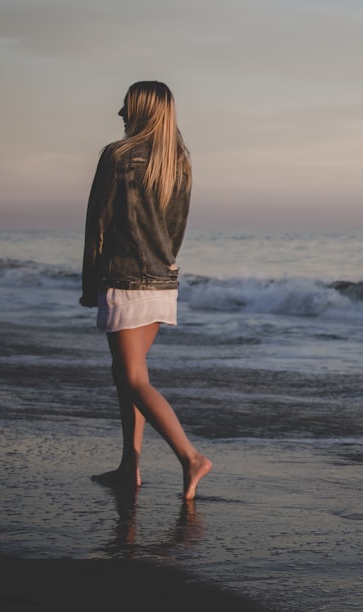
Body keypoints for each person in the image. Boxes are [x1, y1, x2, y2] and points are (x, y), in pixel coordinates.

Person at [80, 81, 211, 501]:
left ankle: (191, 457)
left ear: (143, 110)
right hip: (161, 281)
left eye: (127, 105)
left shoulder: (117, 156)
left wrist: (89, 283)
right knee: (128, 375)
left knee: (133, 378)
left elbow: (96, 225)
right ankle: (128, 466)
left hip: (124, 279)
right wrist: (162, 268)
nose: (120, 112)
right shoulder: (180, 162)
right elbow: (175, 232)